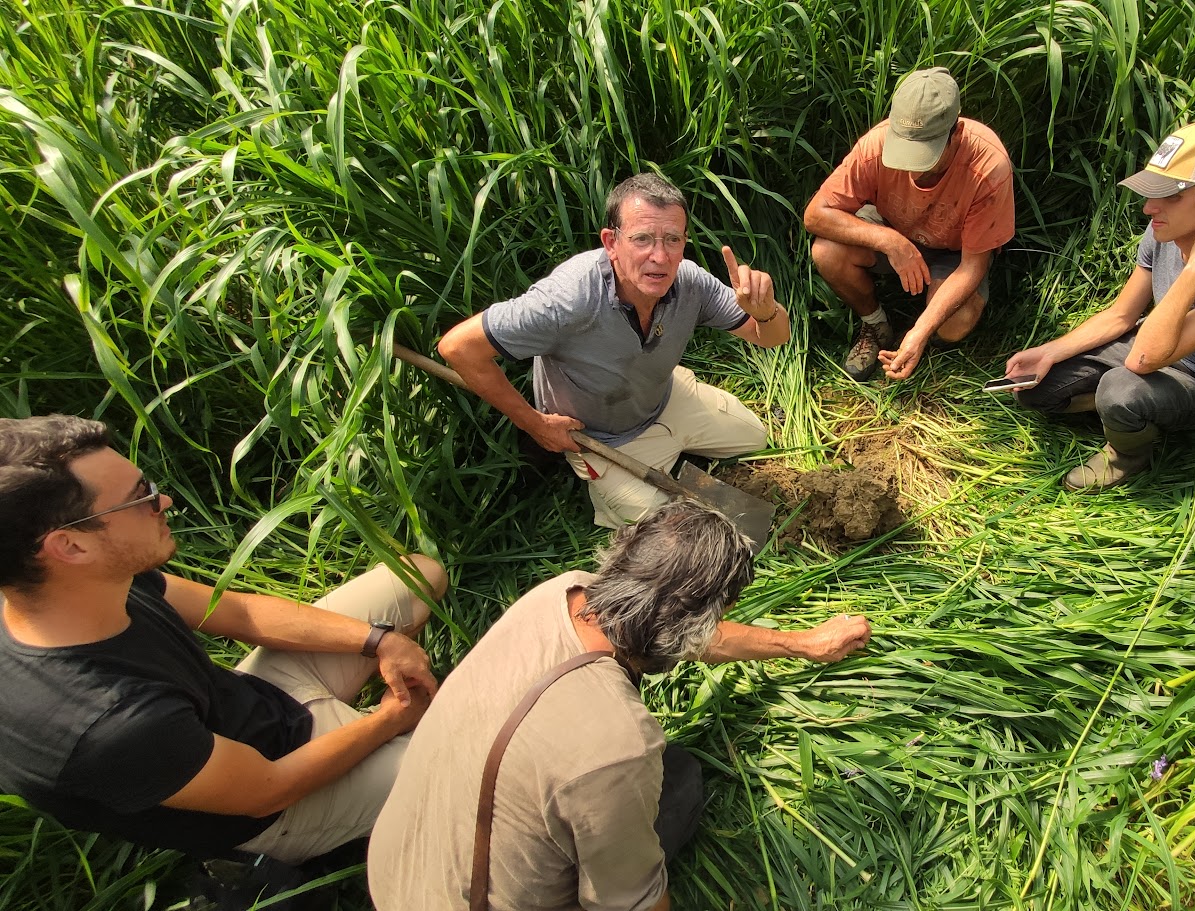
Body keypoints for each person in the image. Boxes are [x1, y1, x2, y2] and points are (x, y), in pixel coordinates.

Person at [368, 500, 871, 911]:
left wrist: (802, 643)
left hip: (393, 870)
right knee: (679, 786)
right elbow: (631, 904)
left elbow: (685, 631)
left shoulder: (561, 594)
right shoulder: (620, 744)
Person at [0, 415, 447, 864]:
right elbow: (268, 791)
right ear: (71, 546)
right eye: (140, 499)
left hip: (259, 704)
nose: (165, 501)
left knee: (418, 575)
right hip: (281, 800)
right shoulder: (110, 727)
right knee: (489, 768)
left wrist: (377, 642)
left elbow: (240, 612)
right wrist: (391, 717)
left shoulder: (77, 584)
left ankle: (393, 749)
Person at [439, 173, 789, 529]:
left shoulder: (689, 282)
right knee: (665, 526)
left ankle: (678, 445)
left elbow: (772, 337)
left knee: (755, 437)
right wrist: (535, 424)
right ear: (611, 242)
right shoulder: (568, 299)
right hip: (601, 438)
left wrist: (765, 312)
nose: (660, 256)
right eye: (642, 239)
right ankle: (624, 487)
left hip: (663, 397)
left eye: (672, 239)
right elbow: (458, 348)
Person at [1005, 121, 1195, 490]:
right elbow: (1121, 315)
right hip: (1153, 339)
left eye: (1171, 195)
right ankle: (1129, 414)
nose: (1148, 208)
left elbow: (1141, 361)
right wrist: (1050, 352)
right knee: (1033, 388)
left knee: (1120, 389)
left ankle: (1127, 454)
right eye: (1151, 192)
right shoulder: (1165, 228)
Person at [804, 66, 1016, 382]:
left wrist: (921, 329)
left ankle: (915, 331)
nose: (912, 171)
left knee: (954, 325)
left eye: (925, 156)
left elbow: (973, 266)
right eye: (904, 152)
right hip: (893, 228)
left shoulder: (988, 167)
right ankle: (875, 324)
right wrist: (891, 242)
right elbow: (816, 214)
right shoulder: (875, 145)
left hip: (954, 252)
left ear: (955, 134)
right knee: (827, 252)